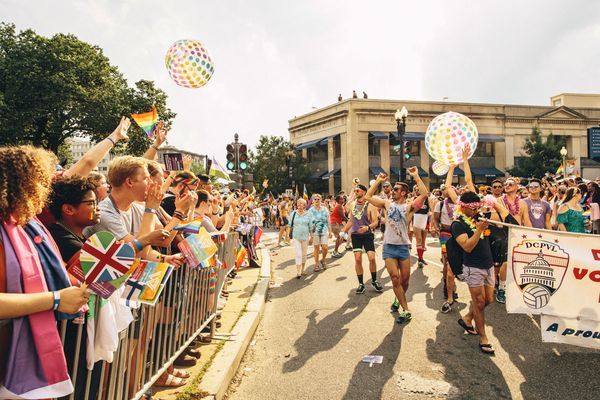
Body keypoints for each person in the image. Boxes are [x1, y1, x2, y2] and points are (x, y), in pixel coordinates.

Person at [0, 146, 89, 399]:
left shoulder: (26, 225)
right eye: (41, 183)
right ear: (23, 185)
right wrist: (56, 299)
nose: (46, 192)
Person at [365, 167, 427, 324]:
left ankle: (398, 299)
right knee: (394, 278)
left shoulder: (409, 207)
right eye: (393, 189)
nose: (392, 191)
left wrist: (416, 176)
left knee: (404, 281)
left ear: (403, 193)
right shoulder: (387, 203)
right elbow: (368, 196)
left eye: (396, 189)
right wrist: (378, 180)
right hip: (389, 247)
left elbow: (424, 194)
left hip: (403, 247)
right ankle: (406, 310)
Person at [453, 191, 496, 355]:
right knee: (479, 302)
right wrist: (478, 230)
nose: (475, 211)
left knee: (488, 300)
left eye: (478, 207)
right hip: (473, 266)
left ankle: (467, 318)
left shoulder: (479, 218)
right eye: (472, 208)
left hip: (488, 264)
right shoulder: (458, 224)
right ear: (463, 207)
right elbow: (467, 246)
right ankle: (483, 337)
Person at [342, 184, 383, 294]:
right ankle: (361, 284)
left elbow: (376, 222)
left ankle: (374, 281)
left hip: (367, 235)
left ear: (364, 192)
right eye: (355, 191)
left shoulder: (371, 205)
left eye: (358, 191)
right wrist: (343, 232)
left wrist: (367, 227)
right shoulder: (353, 205)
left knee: (371, 258)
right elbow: (350, 221)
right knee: (358, 259)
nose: (355, 192)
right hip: (356, 236)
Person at [289, 199, 312, 278]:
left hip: (305, 237)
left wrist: (311, 237)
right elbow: (290, 225)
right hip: (296, 237)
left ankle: (302, 269)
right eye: (298, 203)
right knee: (298, 254)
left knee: (304, 254)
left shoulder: (308, 214)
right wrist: (287, 237)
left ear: (304, 205)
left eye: (301, 203)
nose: (299, 205)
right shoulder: (293, 213)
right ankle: (298, 272)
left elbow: (310, 226)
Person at [309, 194, 331, 271]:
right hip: (314, 231)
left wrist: (330, 231)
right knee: (316, 248)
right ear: (313, 201)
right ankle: (316, 264)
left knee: (325, 247)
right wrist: (310, 234)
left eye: (318, 199)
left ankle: (323, 260)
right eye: (315, 199)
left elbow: (328, 220)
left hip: (324, 230)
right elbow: (309, 222)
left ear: (321, 200)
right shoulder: (310, 210)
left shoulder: (325, 209)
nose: (317, 201)